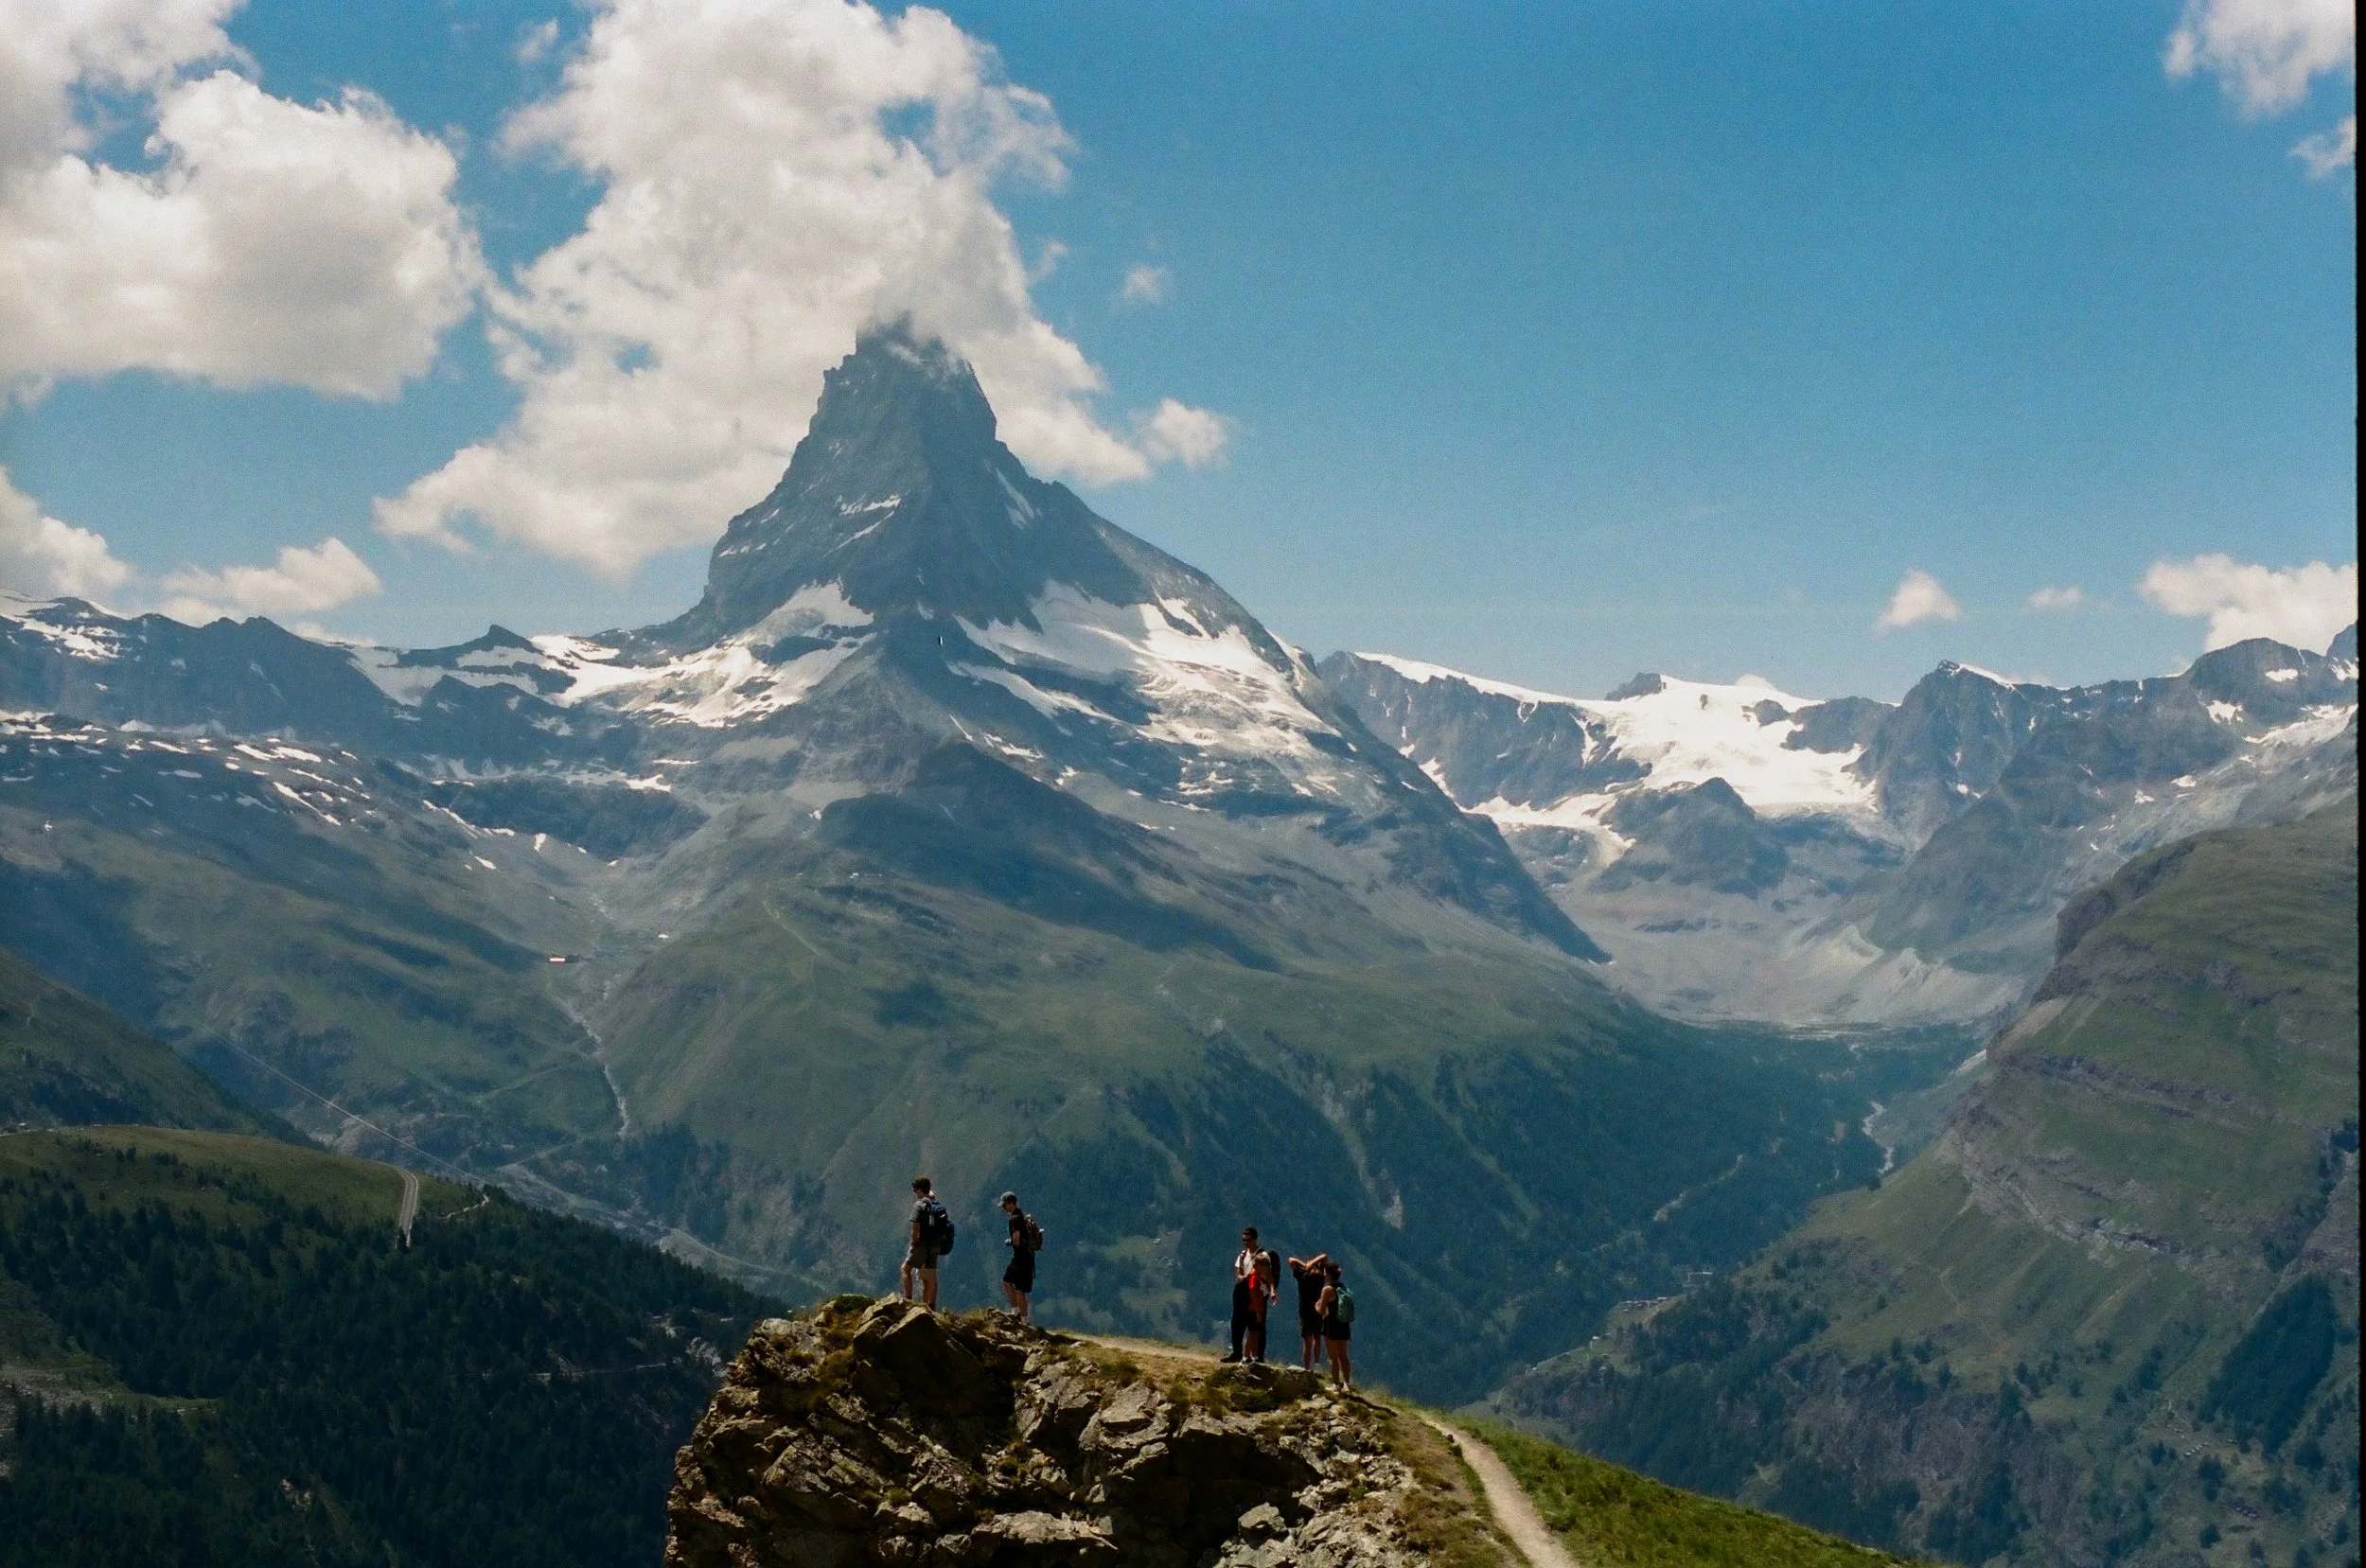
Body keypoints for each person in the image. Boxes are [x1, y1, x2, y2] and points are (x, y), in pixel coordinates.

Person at [901, 1176, 943, 1309]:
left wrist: (914, 1242)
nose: (915, 1193)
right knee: (931, 1277)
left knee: (905, 1269)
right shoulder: (935, 1205)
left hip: (922, 1244)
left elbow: (915, 1227)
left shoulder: (919, 1205)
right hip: (935, 1244)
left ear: (919, 1190)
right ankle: (931, 1305)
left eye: (915, 1190)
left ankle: (908, 1301)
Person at [999, 1190, 1040, 1322]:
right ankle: (1020, 1314)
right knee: (1010, 1283)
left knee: (1017, 1288)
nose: (1003, 1207)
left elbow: (1016, 1240)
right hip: (1027, 1256)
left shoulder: (1015, 1220)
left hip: (1020, 1258)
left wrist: (1010, 1241)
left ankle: (1021, 1317)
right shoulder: (1022, 1216)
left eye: (1004, 1205)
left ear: (1011, 1203)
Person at [1223, 1226, 1261, 1363]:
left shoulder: (1261, 1255)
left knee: (1252, 1326)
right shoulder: (1242, 1255)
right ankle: (1236, 1353)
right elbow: (1238, 1274)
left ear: (1255, 1239)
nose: (1245, 1243)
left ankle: (1252, 1355)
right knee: (1236, 1323)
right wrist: (1243, 1277)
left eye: (1248, 1240)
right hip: (1241, 1291)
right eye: (1243, 1240)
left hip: (1254, 1291)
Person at [1287, 1251, 1331, 1371]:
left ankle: (1306, 1368)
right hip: (1318, 1311)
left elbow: (1291, 1260)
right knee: (1317, 1337)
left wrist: (1305, 1265)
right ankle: (1317, 1364)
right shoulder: (1320, 1277)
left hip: (1304, 1312)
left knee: (1307, 1340)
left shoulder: (1302, 1276)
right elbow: (1324, 1257)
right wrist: (1313, 1263)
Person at [1317, 1260, 1354, 1393]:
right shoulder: (1343, 1288)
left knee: (1333, 1357)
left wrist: (1316, 1306)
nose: (1323, 1274)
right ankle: (1347, 1384)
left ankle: (1336, 1385)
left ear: (1328, 1275)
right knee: (1343, 1355)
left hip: (1331, 1325)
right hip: (1343, 1324)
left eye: (1325, 1273)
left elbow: (1321, 1310)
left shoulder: (1327, 1289)